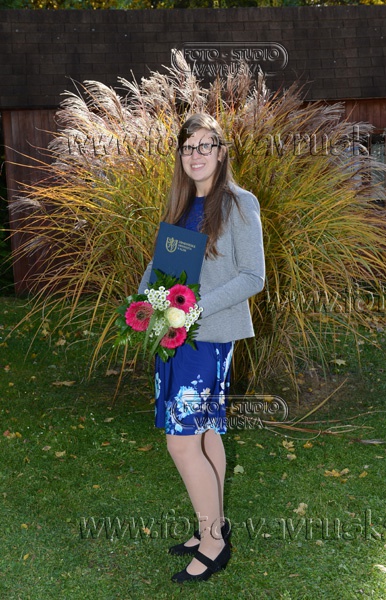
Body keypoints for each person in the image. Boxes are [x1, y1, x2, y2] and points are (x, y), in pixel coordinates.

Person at [138, 113, 265, 583]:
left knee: (182, 441)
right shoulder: (182, 203)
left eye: (205, 145)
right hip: (173, 336)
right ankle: (212, 526)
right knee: (207, 433)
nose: (196, 155)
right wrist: (143, 305)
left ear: (221, 152)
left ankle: (213, 544)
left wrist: (194, 310)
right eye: (188, 147)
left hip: (208, 338)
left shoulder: (239, 203)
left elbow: (253, 276)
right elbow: (160, 269)